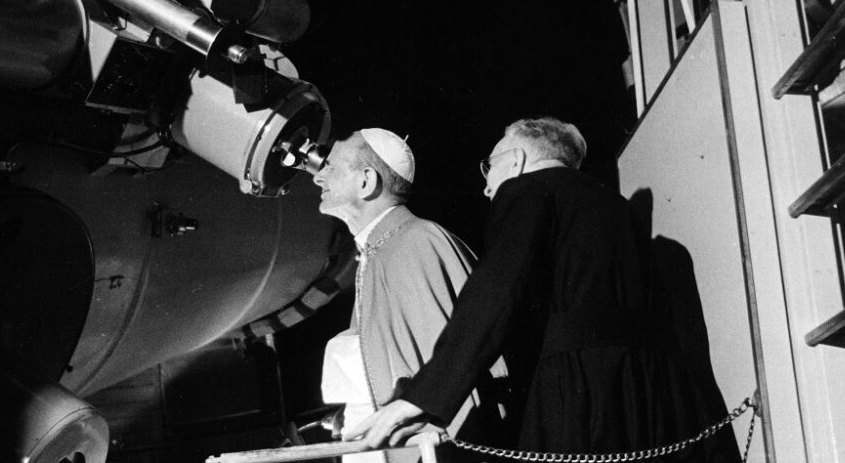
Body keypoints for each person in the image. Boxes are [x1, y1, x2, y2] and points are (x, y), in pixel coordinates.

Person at [345, 117, 741, 462]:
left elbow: (495, 295)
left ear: (514, 160)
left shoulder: (528, 190)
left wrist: (421, 397)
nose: (487, 188)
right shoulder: (621, 213)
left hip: (579, 399)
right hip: (660, 405)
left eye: (489, 169)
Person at [313, 128, 505, 463]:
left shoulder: (416, 242)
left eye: (331, 167)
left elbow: (454, 372)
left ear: (366, 182)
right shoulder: (378, 252)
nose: (318, 178)